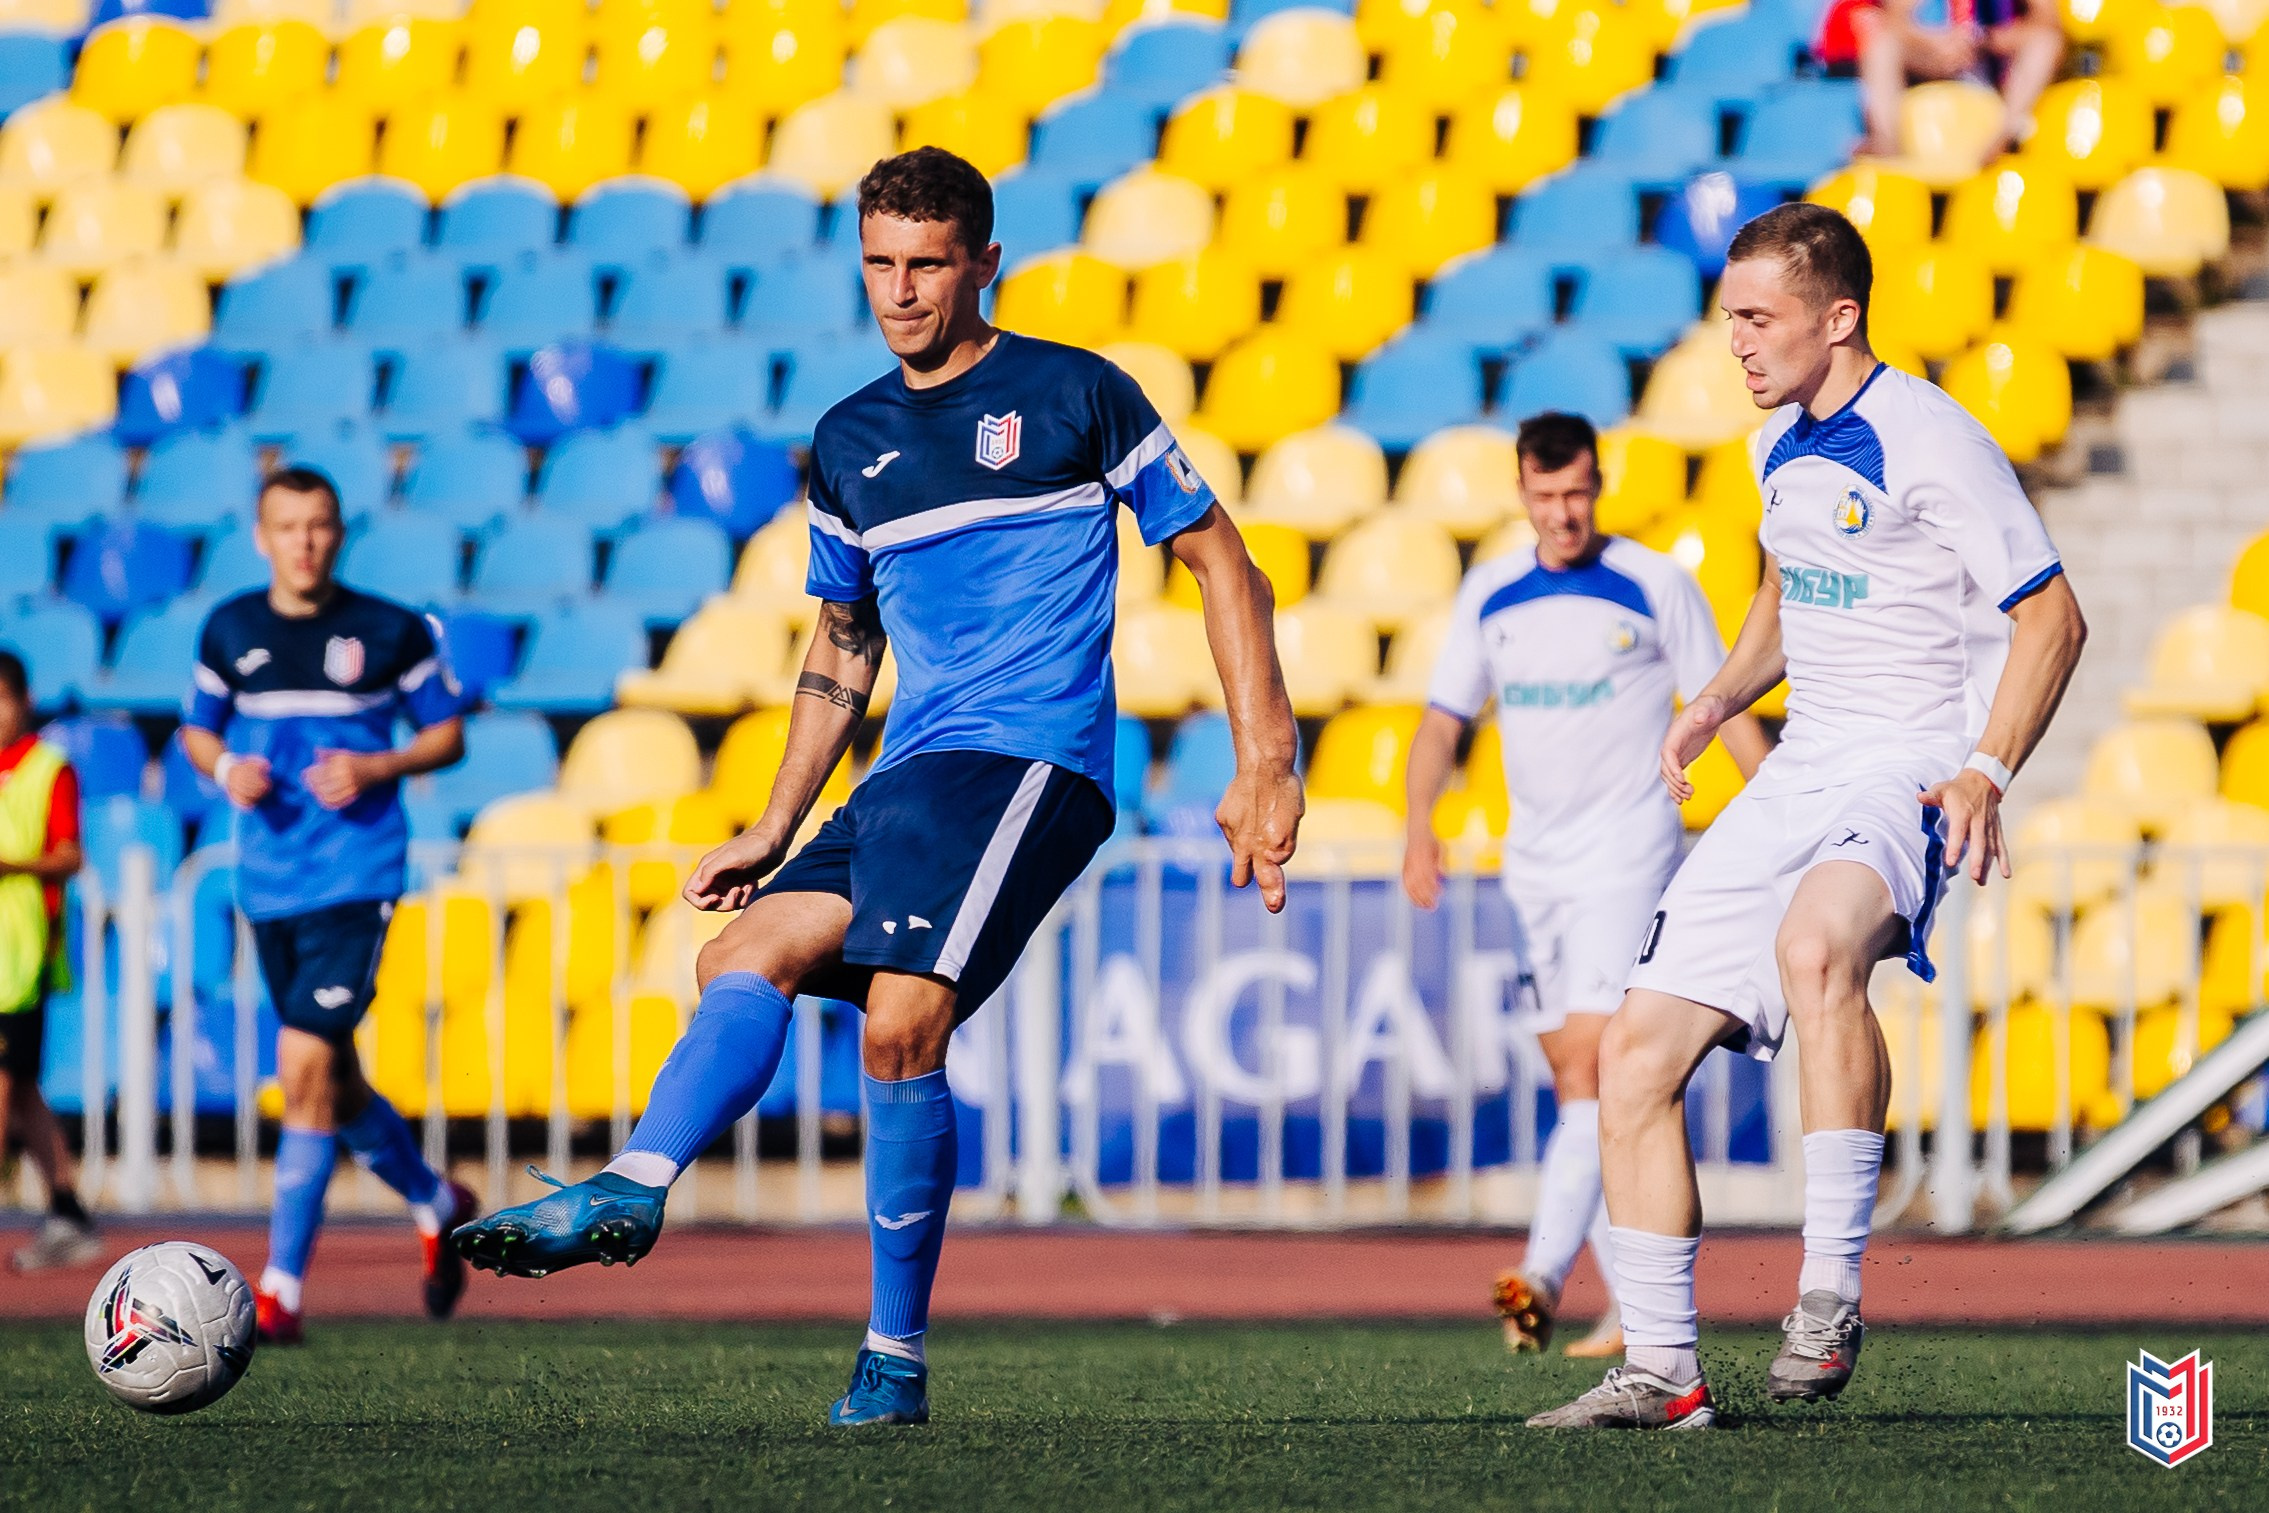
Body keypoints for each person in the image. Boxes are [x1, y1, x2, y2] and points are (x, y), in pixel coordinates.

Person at [452, 147, 1305, 1428]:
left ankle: (891, 1357)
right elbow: (842, 642)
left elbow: (1221, 560)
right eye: (880, 265)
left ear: (983, 265)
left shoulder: (1075, 392)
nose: (900, 292)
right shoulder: (849, 440)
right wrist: (773, 820)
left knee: (904, 1018)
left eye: (927, 264)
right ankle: (632, 1182)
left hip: (1029, 766)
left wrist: (1265, 760)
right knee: (744, 950)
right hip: (908, 776)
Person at [1528, 203, 2085, 1430]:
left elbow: (2051, 617)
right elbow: (1788, 590)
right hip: (1798, 769)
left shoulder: (1929, 439)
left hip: (1906, 765)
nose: (1732, 339)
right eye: (1728, 315)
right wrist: (1717, 695)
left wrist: (1985, 767)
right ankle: (1663, 1372)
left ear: (1837, 318)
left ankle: (1827, 1292)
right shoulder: (1776, 441)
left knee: (1814, 948)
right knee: (1631, 1056)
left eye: (1755, 316)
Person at [1402, 414, 1768, 1361]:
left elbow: (1718, 700)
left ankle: (1543, 1272)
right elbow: (1442, 721)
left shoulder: (1654, 584)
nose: (1562, 514)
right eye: (1543, 497)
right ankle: (1628, 1310)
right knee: (1582, 1086)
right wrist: (1417, 828)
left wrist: (1778, 803)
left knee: (1600, 1071)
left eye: (1576, 495)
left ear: (1597, 486)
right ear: (1521, 493)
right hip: (1538, 867)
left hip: (1628, 848)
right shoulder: (1491, 594)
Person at [179, 466, 479, 1344]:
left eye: (318, 525)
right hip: (270, 882)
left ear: (339, 533)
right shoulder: (229, 627)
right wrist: (223, 767)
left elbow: (447, 732)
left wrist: (377, 767)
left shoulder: (387, 628)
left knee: (302, 1058)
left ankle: (279, 1292)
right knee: (331, 1078)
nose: (303, 541)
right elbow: (199, 727)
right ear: (261, 535)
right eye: (287, 526)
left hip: (356, 877)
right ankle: (435, 1197)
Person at [0, 648, 100, 1272]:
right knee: (27, 1093)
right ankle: (67, 1208)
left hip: (19, 956)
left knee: (6, 1089)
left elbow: (70, 854)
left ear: (22, 701)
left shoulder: (47, 767)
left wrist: (14, 866)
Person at [1817, 0, 2065, 163]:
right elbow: (1895, 22)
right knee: (1882, 42)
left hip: (1989, 56)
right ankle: (1888, 143)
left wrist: (1983, 39)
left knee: (2046, 42)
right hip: (1931, 55)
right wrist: (1938, 42)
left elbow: (2049, 22)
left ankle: (2004, 137)